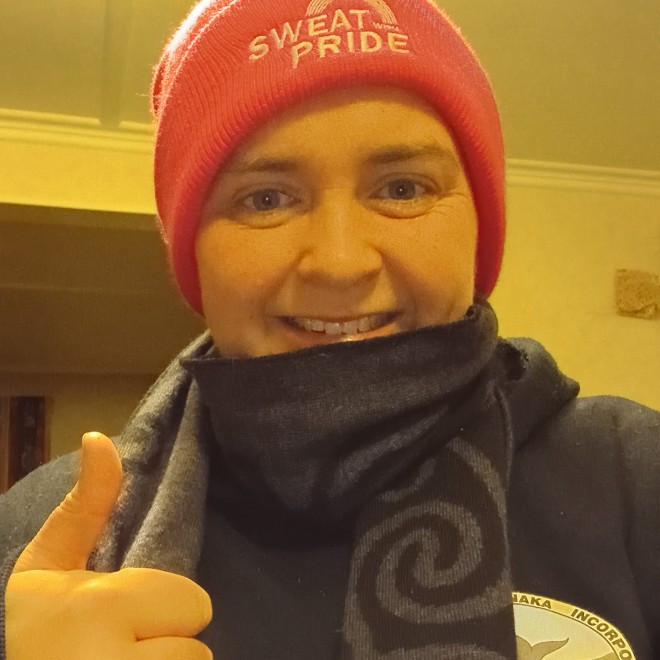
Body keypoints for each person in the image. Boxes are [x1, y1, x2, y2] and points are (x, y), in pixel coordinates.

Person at [1, 0, 658, 658]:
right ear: (192, 252)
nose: (341, 264)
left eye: (402, 189)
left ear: (479, 224)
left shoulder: (634, 475)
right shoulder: (42, 545)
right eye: (265, 199)